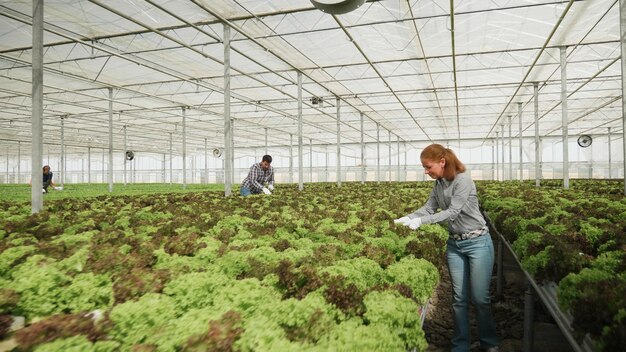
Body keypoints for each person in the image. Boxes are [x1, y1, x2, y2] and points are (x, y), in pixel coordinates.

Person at [394, 144, 499, 352]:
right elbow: (429, 207)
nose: (426, 171)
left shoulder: (463, 180)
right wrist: (409, 217)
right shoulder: (439, 183)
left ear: (442, 162)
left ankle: (490, 343)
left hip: (478, 243)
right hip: (455, 245)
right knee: (459, 299)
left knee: (480, 298)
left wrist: (422, 222)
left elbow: (453, 212)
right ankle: (460, 345)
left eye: (428, 167)